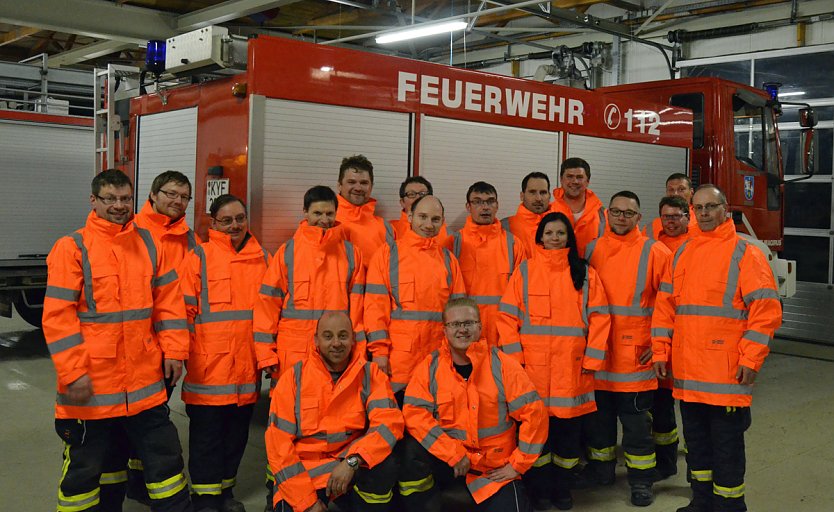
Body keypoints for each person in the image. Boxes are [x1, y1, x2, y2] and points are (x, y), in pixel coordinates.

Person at [43, 169, 191, 512]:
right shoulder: (72, 247)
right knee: (86, 471)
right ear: (93, 200)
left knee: (166, 462)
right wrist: (73, 373)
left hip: (144, 384)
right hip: (92, 386)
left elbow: (168, 304)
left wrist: (174, 350)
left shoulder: (149, 243)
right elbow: (58, 317)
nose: (119, 205)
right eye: (110, 198)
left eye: (125, 198)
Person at [652, 185, 782, 512]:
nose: (705, 213)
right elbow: (665, 308)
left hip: (726, 375)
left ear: (725, 209)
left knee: (726, 449)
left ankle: (730, 506)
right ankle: (702, 501)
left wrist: (751, 360)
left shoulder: (745, 253)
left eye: (711, 206)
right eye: (698, 208)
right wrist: (660, 351)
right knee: (696, 445)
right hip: (688, 374)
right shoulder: (683, 253)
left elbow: (765, 312)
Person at [497, 212, 611, 511]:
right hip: (531, 372)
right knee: (535, 435)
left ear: (569, 237)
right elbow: (507, 317)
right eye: (549, 233)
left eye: (561, 233)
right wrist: (516, 361)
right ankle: (538, 491)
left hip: (572, 370)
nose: (555, 238)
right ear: (540, 238)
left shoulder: (584, 273)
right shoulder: (525, 271)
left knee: (567, 438)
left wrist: (592, 359)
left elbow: (600, 317)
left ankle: (562, 489)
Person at [399, 298, 548, 511]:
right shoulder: (430, 368)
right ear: (445, 330)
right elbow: (414, 414)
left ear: (480, 326)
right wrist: (452, 453)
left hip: (493, 472)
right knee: (409, 450)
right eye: (455, 324)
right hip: (448, 464)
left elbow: (535, 414)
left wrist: (517, 465)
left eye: (468, 323)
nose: (462, 329)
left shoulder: (504, 366)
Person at [179, 194, 269, 512]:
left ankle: (225, 493)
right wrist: (179, 354)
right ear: (214, 223)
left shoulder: (264, 259)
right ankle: (205, 500)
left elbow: (272, 312)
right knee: (206, 440)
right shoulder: (199, 258)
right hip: (208, 371)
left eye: (240, 218)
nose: (235, 225)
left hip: (246, 371)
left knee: (236, 438)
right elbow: (183, 313)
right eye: (227, 220)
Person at [581, 191, 672, 507]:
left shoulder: (655, 251)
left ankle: (641, 481)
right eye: (616, 211)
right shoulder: (592, 249)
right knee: (600, 423)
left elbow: (669, 304)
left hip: (636, 357)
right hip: (599, 354)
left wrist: (659, 346)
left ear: (639, 217)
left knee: (636, 428)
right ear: (607, 214)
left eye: (628, 213)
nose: (621, 217)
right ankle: (601, 472)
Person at [265, 311, 404, 512]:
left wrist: (353, 460)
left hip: (350, 469)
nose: (336, 343)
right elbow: (278, 445)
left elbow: (389, 424)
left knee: (385, 465)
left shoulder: (370, 374)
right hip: (305, 475)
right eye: (328, 336)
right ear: (316, 340)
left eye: (343, 335)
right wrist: (307, 502)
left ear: (353, 339)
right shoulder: (293, 379)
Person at [129, 170, 200, 503]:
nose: (178, 201)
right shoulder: (132, 231)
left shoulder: (190, 239)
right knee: (143, 417)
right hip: (139, 343)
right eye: (171, 194)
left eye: (184, 197)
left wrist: (178, 347)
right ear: (153, 194)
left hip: (174, 340)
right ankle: (137, 480)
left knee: (152, 413)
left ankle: (140, 480)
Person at [254, 185, 365, 377]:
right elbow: (267, 304)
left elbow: (358, 311)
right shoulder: (288, 252)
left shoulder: (351, 254)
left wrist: (359, 352)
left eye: (329, 213)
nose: (324, 219)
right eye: (317, 213)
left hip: (335, 355)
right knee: (289, 397)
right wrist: (265, 353)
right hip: (293, 355)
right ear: (305, 212)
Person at [364, 195, 466, 398]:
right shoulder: (387, 255)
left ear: (442, 222)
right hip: (398, 364)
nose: (428, 224)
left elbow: (459, 314)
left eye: (435, 219)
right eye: (423, 217)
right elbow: (375, 309)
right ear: (410, 216)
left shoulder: (448, 260)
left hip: (438, 359)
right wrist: (379, 353)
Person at [449, 182, 528, 346]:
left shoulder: (513, 244)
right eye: (477, 202)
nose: (485, 207)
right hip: (465, 332)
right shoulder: (455, 243)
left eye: (490, 201)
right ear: (468, 206)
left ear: (497, 205)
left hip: (502, 332)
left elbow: (523, 295)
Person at [649, 194, 692, 478]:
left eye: (677, 216)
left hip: (689, 343)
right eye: (666, 216)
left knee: (692, 412)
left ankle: (696, 468)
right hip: (662, 339)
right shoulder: (652, 247)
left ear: (688, 217)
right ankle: (666, 463)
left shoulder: (695, 248)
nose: (671, 221)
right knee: (662, 409)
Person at [334, 154, 395, 266]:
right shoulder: (327, 222)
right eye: (351, 182)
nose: (358, 188)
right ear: (339, 185)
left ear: (371, 186)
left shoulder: (386, 228)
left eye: (364, 183)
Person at [550, 158, 606, 257]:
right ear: (561, 179)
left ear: (587, 181)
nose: (574, 181)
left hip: (592, 267)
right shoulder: (548, 212)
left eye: (579, 177)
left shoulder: (603, 215)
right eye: (569, 176)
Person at [501, 171, 552, 254]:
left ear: (549, 196)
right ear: (522, 196)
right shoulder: (504, 227)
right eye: (532, 192)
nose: (538, 198)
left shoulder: (561, 226)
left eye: (543, 192)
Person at [647, 173, 700, 240]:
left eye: (681, 189)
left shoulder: (702, 220)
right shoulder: (652, 226)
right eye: (671, 190)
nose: (675, 194)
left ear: (691, 192)